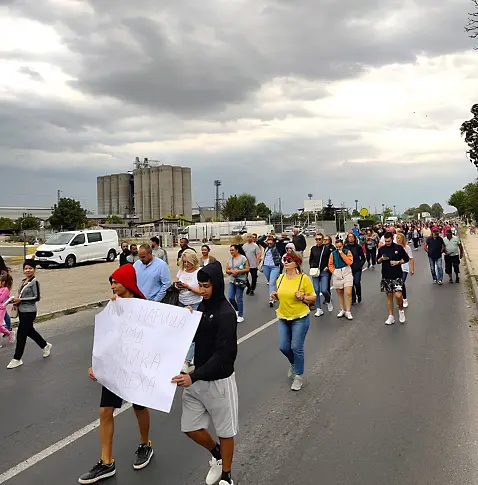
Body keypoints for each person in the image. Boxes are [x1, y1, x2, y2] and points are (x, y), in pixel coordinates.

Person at [79, 264, 153, 484]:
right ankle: (106, 462)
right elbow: (104, 339)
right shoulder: (112, 307)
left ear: (128, 283)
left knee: (139, 407)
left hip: (135, 366)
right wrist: (96, 366)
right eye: (111, 282)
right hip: (114, 367)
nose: (112, 286)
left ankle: (145, 444)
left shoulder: (144, 307)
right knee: (105, 411)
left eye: (116, 282)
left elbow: (157, 335)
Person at [171, 262, 238, 485]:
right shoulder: (202, 307)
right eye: (200, 285)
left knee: (225, 431)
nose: (202, 290)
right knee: (189, 427)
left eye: (206, 286)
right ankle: (217, 455)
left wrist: (193, 376)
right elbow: (195, 337)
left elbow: (223, 355)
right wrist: (187, 319)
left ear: (217, 284)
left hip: (218, 381)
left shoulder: (226, 313)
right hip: (197, 378)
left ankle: (227, 476)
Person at [271, 250, 315, 391]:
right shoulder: (281, 278)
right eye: (284, 259)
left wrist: (302, 297)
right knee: (283, 347)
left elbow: (313, 297)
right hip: (283, 316)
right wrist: (275, 296)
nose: (285, 262)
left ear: (296, 263)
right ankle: (294, 363)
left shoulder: (304, 279)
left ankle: (298, 377)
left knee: (297, 347)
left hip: (300, 317)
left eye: (288, 260)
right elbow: (281, 295)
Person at [7, 260, 51, 369]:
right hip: (22, 311)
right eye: (26, 268)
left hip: (30, 312)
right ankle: (45, 345)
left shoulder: (34, 282)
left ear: (34, 269)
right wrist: (15, 300)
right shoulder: (23, 281)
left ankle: (17, 359)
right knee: (30, 331)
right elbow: (20, 295)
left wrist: (20, 299)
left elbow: (37, 297)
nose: (28, 270)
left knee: (21, 334)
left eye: (30, 268)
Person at [176, 249, 203, 373]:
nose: (186, 264)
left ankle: (187, 361)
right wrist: (177, 286)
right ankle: (185, 357)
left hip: (195, 304)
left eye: (188, 262)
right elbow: (176, 282)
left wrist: (188, 287)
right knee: (182, 332)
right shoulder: (181, 271)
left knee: (192, 334)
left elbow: (201, 292)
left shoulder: (199, 272)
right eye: (184, 261)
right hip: (181, 303)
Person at [377, 232, 410, 325]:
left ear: (392, 239)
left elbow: (406, 258)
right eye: (386, 241)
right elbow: (377, 261)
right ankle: (390, 316)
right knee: (389, 296)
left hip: (397, 275)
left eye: (389, 241)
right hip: (386, 275)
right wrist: (382, 259)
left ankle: (401, 310)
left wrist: (398, 262)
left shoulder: (398, 248)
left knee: (398, 295)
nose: (387, 243)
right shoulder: (382, 249)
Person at [328, 239, 354, 320]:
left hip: (346, 272)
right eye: (337, 247)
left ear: (343, 246)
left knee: (348, 292)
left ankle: (348, 311)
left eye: (340, 247)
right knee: (340, 292)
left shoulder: (347, 252)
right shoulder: (333, 254)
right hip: (337, 273)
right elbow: (330, 264)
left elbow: (349, 262)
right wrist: (334, 271)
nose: (339, 248)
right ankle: (342, 309)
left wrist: (342, 253)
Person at [309, 233, 333, 317]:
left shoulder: (326, 249)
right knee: (316, 290)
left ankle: (328, 299)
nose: (318, 241)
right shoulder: (313, 249)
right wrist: (312, 266)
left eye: (319, 239)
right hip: (315, 272)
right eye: (316, 239)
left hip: (324, 271)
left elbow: (330, 260)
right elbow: (311, 259)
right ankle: (319, 309)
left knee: (324, 290)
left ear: (322, 240)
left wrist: (327, 267)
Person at [226, 245, 249, 323]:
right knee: (230, 297)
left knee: (239, 298)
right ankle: (236, 310)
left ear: (237, 250)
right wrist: (231, 271)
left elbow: (247, 269)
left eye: (232, 250)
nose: (231, 252)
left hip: (240, 280)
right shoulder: (230, 259)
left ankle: (240, 315)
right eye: (230, 250)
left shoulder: (243, 258)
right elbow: (226, 270)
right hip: (232, 280)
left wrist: (238, 271)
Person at [257, 235, 282, 307]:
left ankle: (271, 299)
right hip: (266, 266)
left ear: (274, 242)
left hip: (274, 267)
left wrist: (275, 237)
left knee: (271, 283)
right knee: (270, 280)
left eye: (271, 243)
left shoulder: (277, 247)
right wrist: (265, 236)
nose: (269, 244)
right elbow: (259, 241)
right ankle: (276, 282)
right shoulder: (266, 247)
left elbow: (281, 240)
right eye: (268, 243)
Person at [345, 233, 366, 305]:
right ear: (347, 238)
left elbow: (363, 258)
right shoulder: (346, 247)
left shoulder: (358, 247)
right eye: (349, 237)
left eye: (352, 237)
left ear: (354, 238)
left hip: (357, 268)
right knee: (351, 284)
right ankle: (353, 299)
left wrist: (360, 265)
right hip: (348, 269)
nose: (350, 238)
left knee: (356, 282)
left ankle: (359, 294)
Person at [396, 233, 414, 308]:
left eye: (399, 238)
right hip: (396, 268)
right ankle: (399, 298)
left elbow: (411, 258)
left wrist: (412, 269)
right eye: (397, 238)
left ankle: (404, 299)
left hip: (404, 267)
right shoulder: (394, 247)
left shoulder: (407, 248)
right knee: (398, 284)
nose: (398, 240)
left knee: (401, 282)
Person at [0, 274, 15, 345]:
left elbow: (1, 299)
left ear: (3, 282)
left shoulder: (5, 289)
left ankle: (9, 333)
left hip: (1, 309)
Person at [0, 254, 12, 331]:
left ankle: (8, 327)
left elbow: (6, 284)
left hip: (3, 293)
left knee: (3, 311)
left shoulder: (3, 272)